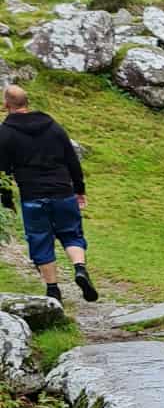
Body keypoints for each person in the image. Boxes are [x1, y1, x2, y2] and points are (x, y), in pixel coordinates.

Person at [0, 82, 98, 304]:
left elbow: (3, 171)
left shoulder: (5, 133)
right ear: (27, 102)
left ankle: (53, 290)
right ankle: (80, 268)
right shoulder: (52, 125)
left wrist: (6, 201)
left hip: (33, 196)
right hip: (62, 191)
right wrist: (79, 190)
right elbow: (72, 159)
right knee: (72, 234)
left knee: (40, 240)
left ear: (6, 104)